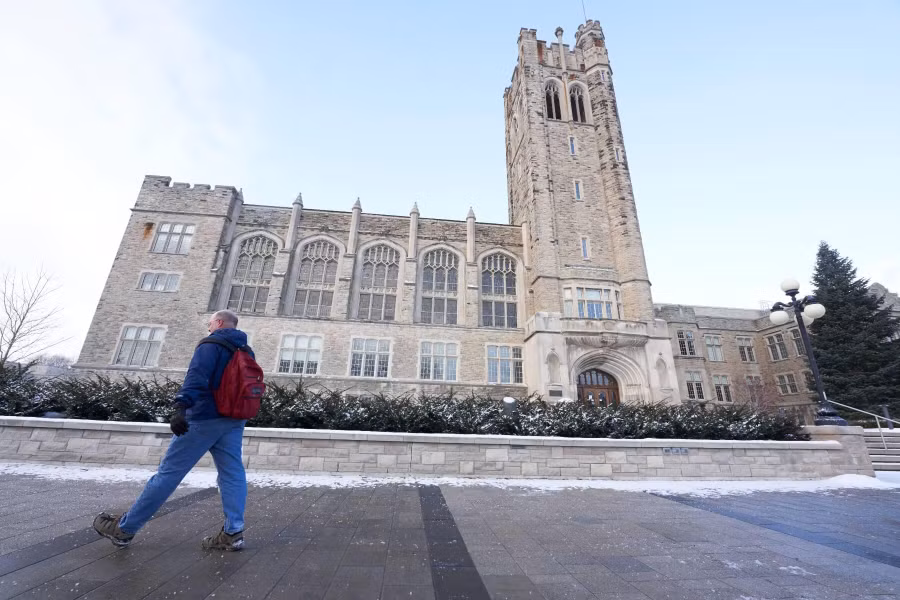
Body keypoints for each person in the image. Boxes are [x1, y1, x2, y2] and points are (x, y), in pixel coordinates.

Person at [93, 310, 251, 551]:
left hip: (203, 418)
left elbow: (197, 375)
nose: (208, 327)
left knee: (168, 474)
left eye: (209, 323)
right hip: (232, 419)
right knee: (232, 474)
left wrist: (181, 406)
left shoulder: (211, 343)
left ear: (218, 323)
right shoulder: (244, 349)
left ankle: (125, 529)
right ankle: (233, 532)